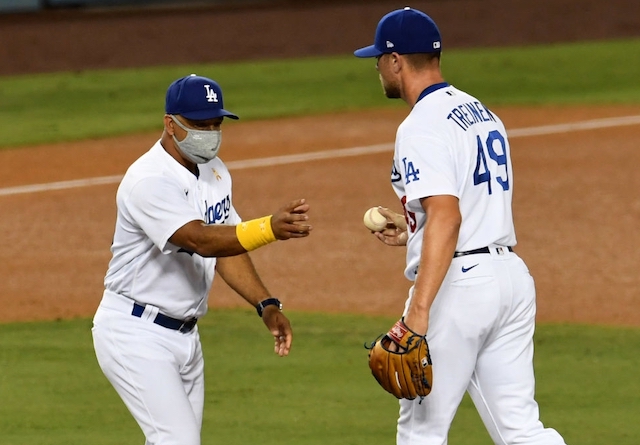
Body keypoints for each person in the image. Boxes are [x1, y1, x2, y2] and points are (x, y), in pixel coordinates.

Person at [354, 8, 568, 445]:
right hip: (509, 279)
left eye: (379, 59)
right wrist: (413, 227)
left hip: (461, 287)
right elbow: (460, 207)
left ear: (396, 61)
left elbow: (448, 216)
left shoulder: (419, 125)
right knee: (521, 429)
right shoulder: (479, 111)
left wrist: (416, 315)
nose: (377, 67)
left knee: (420, 432)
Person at [91, 74, 312, 445]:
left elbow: (227, 246)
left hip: (186, 336)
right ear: (170, 124)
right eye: (199, 125)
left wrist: (266, 304)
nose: (209, 133)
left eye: (215, 124)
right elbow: (199, 239)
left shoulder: (214, 170)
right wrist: (270, 228)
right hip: (135, 333)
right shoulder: (148, 180)